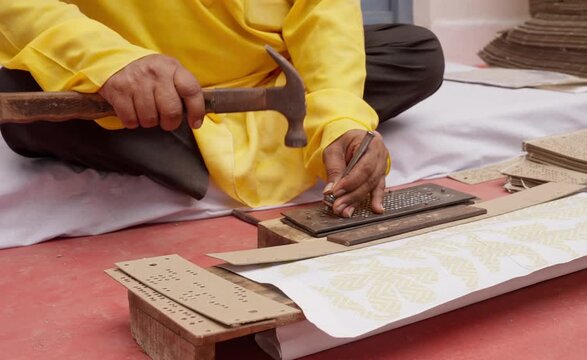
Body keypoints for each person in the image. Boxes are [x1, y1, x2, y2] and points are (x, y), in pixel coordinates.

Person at [0, 1, 444, 218]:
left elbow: (323, 12)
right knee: (24, 92)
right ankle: (198, 135)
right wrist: (106, 60)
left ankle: (179, 145)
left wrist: (343, 118)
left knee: (416, 51)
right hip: (126, 80)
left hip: (266, 71)